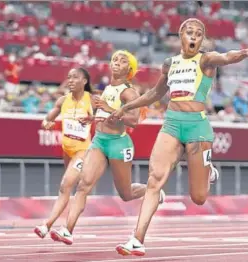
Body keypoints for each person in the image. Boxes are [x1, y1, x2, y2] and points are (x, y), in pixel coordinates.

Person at [112, 18, 248, 256]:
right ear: (181, 36)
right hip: (171, 124)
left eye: (198, 33)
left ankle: (208, 169)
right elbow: (154, 93)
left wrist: (243, 53)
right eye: (189, 32)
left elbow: (226, 57)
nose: (193, 36)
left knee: (199, 197)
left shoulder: (206, 59)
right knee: (154, 180)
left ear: (202, 39)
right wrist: (125, 108)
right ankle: (137, 239)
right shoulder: (170, 64)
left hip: (197, 129)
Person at [49, 50, 165, 245]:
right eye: (115, 59)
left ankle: (152, 191)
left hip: (119, 144)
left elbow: (133, 121)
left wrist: (108, 108)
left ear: (130, 69)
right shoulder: (108, 88)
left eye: (122, 61)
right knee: (83, 185)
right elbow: (107, 116)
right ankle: (67, 230)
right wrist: (93, 118)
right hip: (99, 141)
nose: (117, 62)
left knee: (126, 194)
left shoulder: (129, 92)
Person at [34, 67, 93, 239]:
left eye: (75, 77)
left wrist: (92, 118)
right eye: (69, 77)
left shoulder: (92, 100)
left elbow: (106, 117)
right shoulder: (62, 100)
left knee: (65, 185)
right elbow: (48, 118)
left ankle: (47, 225)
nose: (71, 80)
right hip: (67, 150)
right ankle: (58, 225)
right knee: (66, 189)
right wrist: (46, 122)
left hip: (83, 150)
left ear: (84, 81)